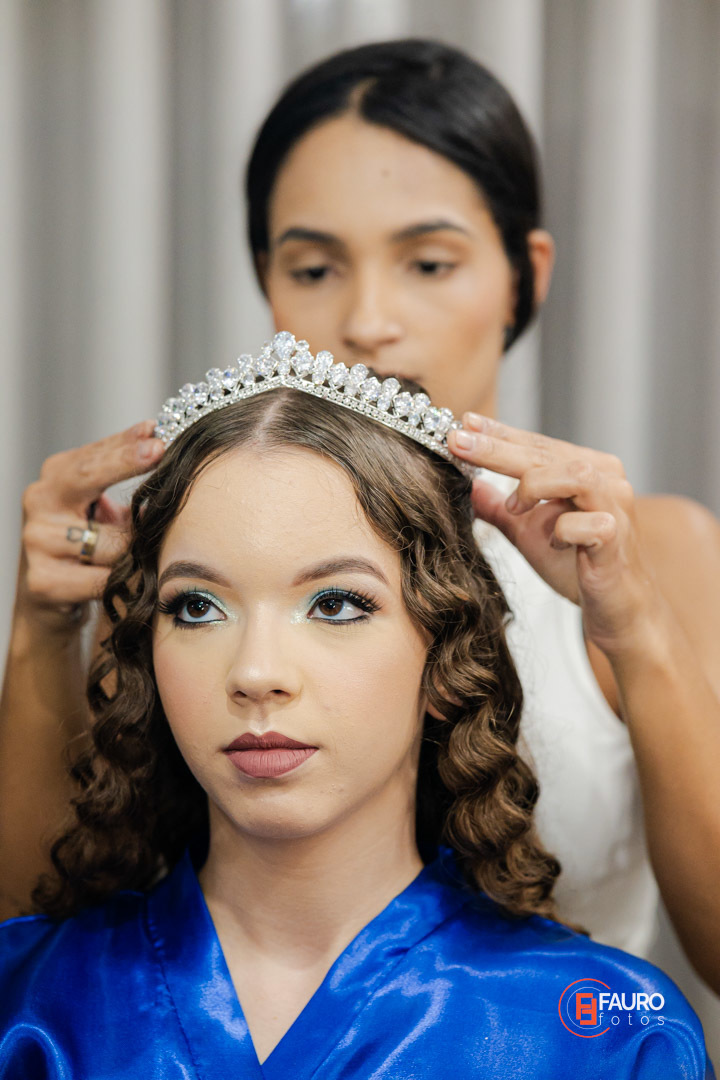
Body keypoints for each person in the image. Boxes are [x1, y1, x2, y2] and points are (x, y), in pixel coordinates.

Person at [3, 40, 720, 990]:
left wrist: (633, 626)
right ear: (266, 279)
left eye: (428, 262)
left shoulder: (661, 555)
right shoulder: (195, 560)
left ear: (525, 274)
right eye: (314, 269)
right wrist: (44, 628)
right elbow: (39, 952)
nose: (369, 321)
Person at [0, 346, 712, 1076]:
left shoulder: (612, 1035)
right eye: (198, 606)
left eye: (336, 604)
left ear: (446, 658)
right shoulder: (27, 1005)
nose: (256, 673)